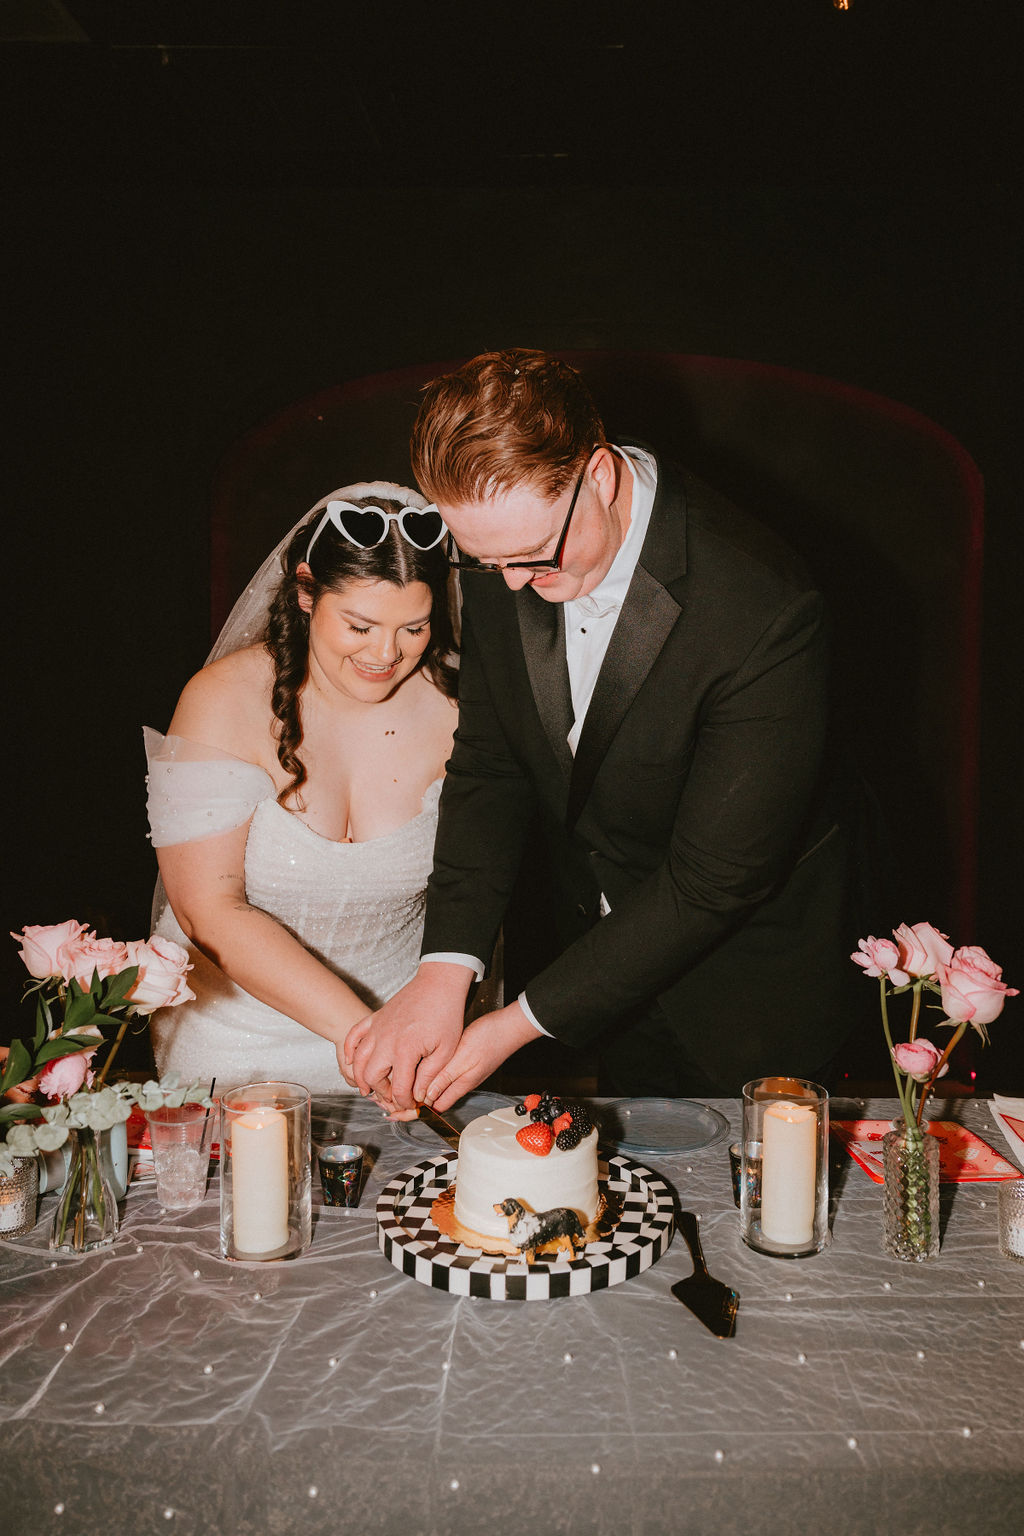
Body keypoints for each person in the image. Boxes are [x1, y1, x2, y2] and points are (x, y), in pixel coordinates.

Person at [344, 350, 861, 1111]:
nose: (514, 584)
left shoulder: (762, 609)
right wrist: (443, 972)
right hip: (600, 967)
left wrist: (511, 1025)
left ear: (601, 476)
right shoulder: (501, 549)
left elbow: (711, 882)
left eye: (533, 557)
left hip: (750, 989)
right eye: (490, 564)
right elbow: (491, 764)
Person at [144, 482, 459, 1094]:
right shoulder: (219, 701)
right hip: (235, 1043)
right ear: (307, 591)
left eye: (414, 627)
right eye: (360, 625)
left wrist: (404, 1039)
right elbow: (208, 910)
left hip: (407, 1041)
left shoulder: (457, 710)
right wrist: (368, 1038)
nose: (386, 653)